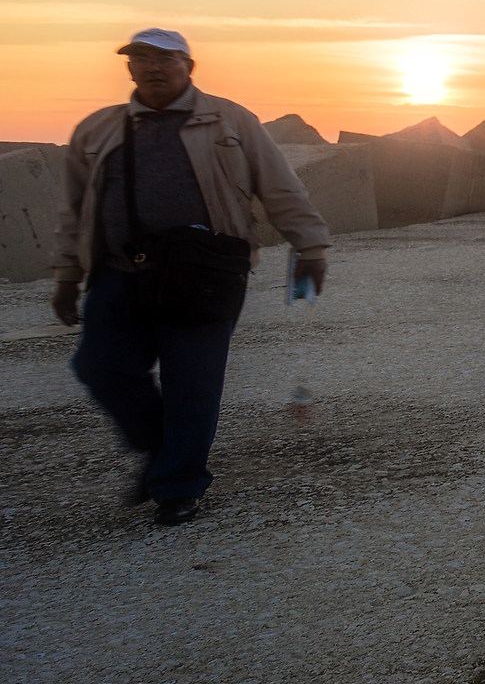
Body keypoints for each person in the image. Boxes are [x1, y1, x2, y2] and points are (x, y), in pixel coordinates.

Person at [50, 29, 331, 524]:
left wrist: (310, 246)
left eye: (166, 59)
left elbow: (279, 186)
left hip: (205, 272)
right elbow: (74, 209)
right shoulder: (98, 128)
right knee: (99, 367)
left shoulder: (230, 119)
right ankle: (163, 450)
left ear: (189, 67)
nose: (153, 67)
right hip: (119, 272)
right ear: (129, 68)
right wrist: (67, 275)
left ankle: (177, 487)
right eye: (141, 58)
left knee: (192, 383)